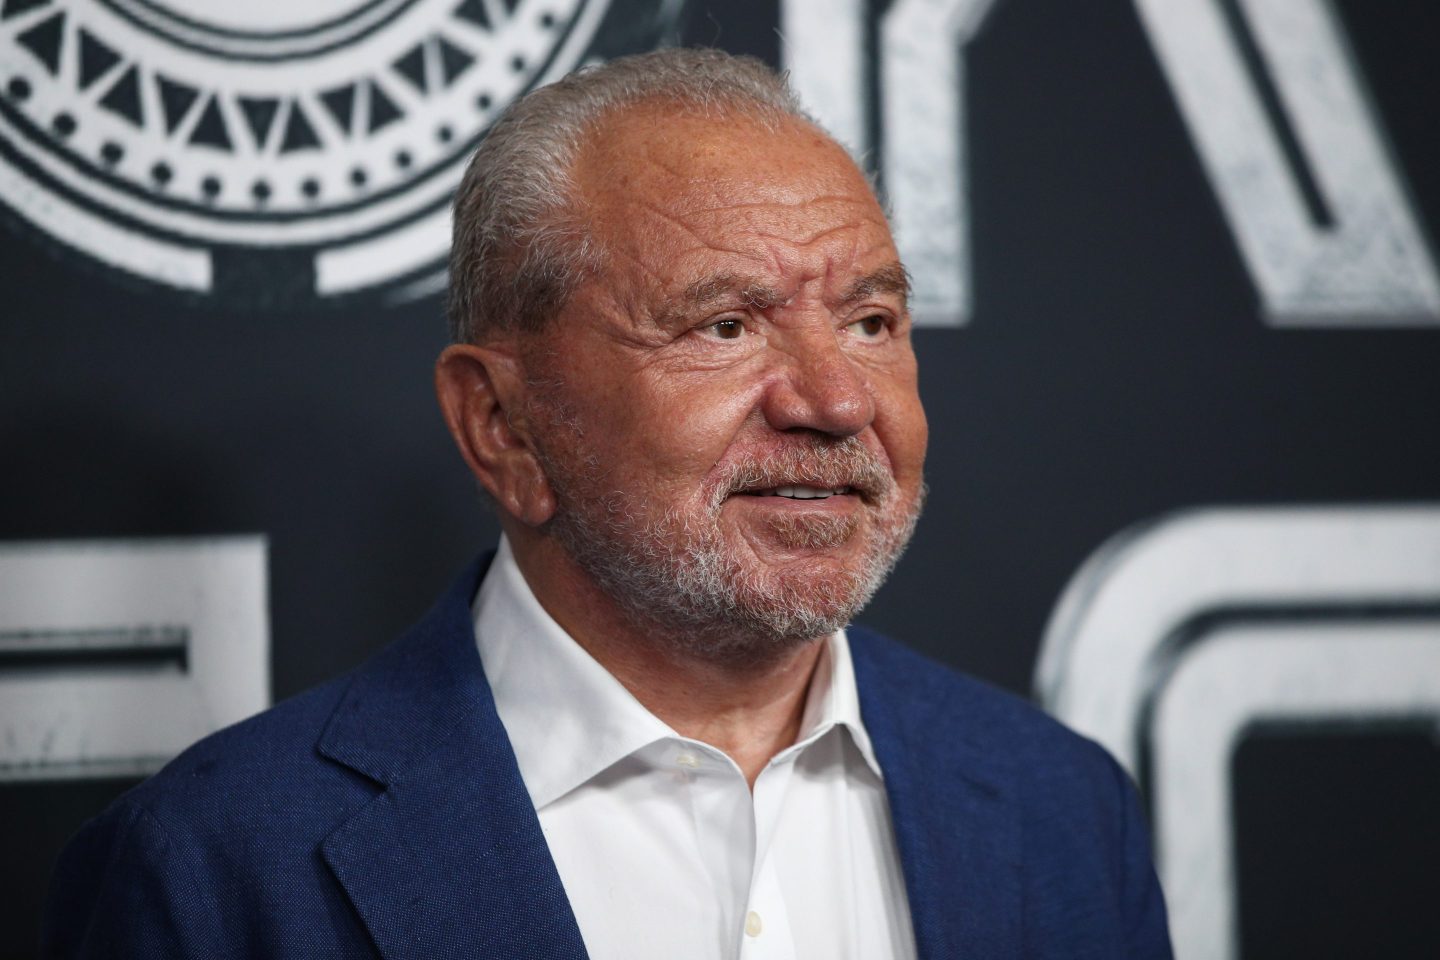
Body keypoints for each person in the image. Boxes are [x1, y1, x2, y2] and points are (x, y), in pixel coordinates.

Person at [44, 48, 1172, 959]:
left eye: (873, 322)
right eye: (724, 325)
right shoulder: (219, 870)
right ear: (505, 426)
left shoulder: (1060, 811)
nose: (836, 400)